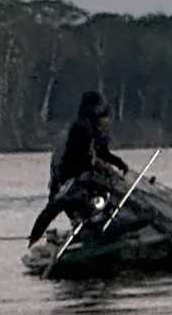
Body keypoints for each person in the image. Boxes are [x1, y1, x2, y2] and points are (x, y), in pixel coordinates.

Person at [28, 90, 124, 243]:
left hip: (82, 178)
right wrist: (94, 164)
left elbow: (103, 152)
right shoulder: (79, 129)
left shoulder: (93, 129)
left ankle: (94, 229)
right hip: (69, 178)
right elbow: (76, 157)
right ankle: (35, 239)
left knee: (93, 203)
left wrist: (118, 163)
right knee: (56, 207)